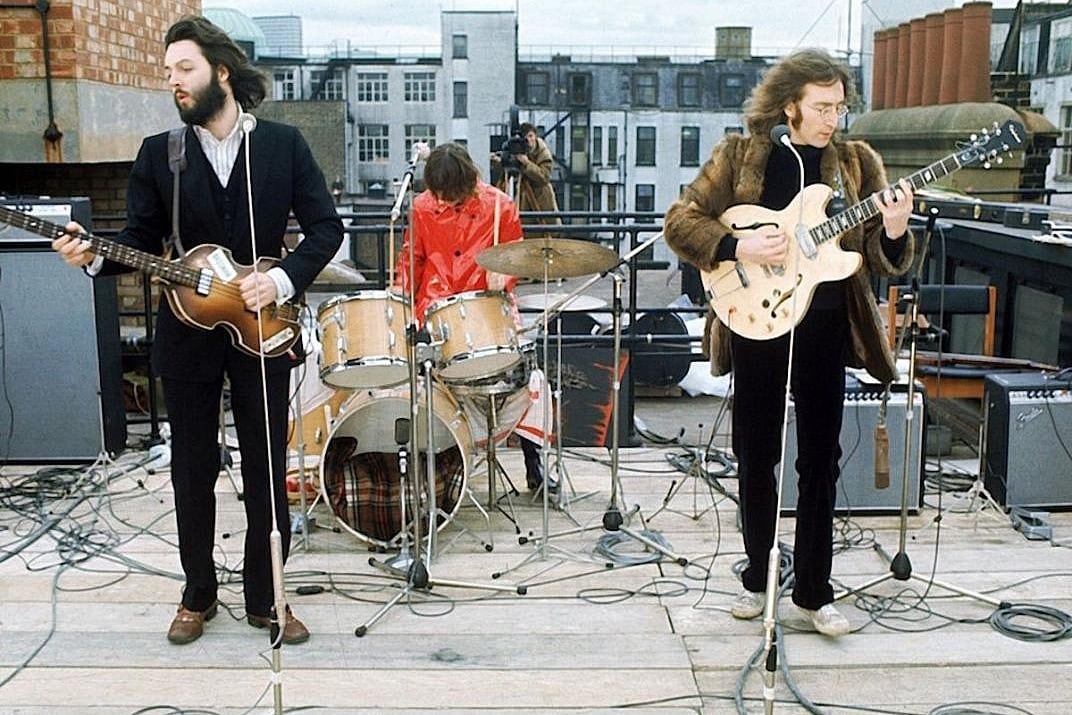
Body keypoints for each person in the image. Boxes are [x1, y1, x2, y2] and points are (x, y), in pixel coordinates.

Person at [52, 16, 343, 645]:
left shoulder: (283, 146)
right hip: (185, 335)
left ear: (222, 73)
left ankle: (269, 597)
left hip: (262, 326)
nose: (174, 83)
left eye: (184, 69)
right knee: (190, 468)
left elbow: (326, 230)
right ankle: (198, 593)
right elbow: (136, 240)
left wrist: (283, 280)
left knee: (267, 467)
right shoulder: (162, 153)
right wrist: (95, 256)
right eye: (167, 73)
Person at [663, 49, 915, 636]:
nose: (832, 119)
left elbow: (879, 255)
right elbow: (681, 222)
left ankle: (813, 592)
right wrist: (737, 248)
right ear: (789, 106)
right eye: (822, 107)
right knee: (756, 455)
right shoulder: (740, 156)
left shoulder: (854, 163)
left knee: (820, 461)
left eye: (840, 107)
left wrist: (896, 230)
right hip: (758, 322)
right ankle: (758, 575)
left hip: (827, 326)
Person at [394, 142, 551, 492]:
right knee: (428, 386)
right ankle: (443, 463)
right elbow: (411, 261)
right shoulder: (421, 207)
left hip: (489, 306)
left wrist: (506, 275)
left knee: (528, 376)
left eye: (451, 194)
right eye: (439, 194)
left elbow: (515, 256)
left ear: (467, 182)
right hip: (436, 306)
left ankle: (534, 461)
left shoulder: (500, 206)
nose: (444, 201)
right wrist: (401, 305)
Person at [493, 122, 560, 222]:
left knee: (545, 230)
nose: (529, 140)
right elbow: (506, 178)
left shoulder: (542, 151)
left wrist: (526, 163)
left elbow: (544, 177)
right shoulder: (519, 150)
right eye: (525, 137)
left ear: (535, 136)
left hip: (541, 198)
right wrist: (503, 162)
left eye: (531, 136)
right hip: (524, 196)